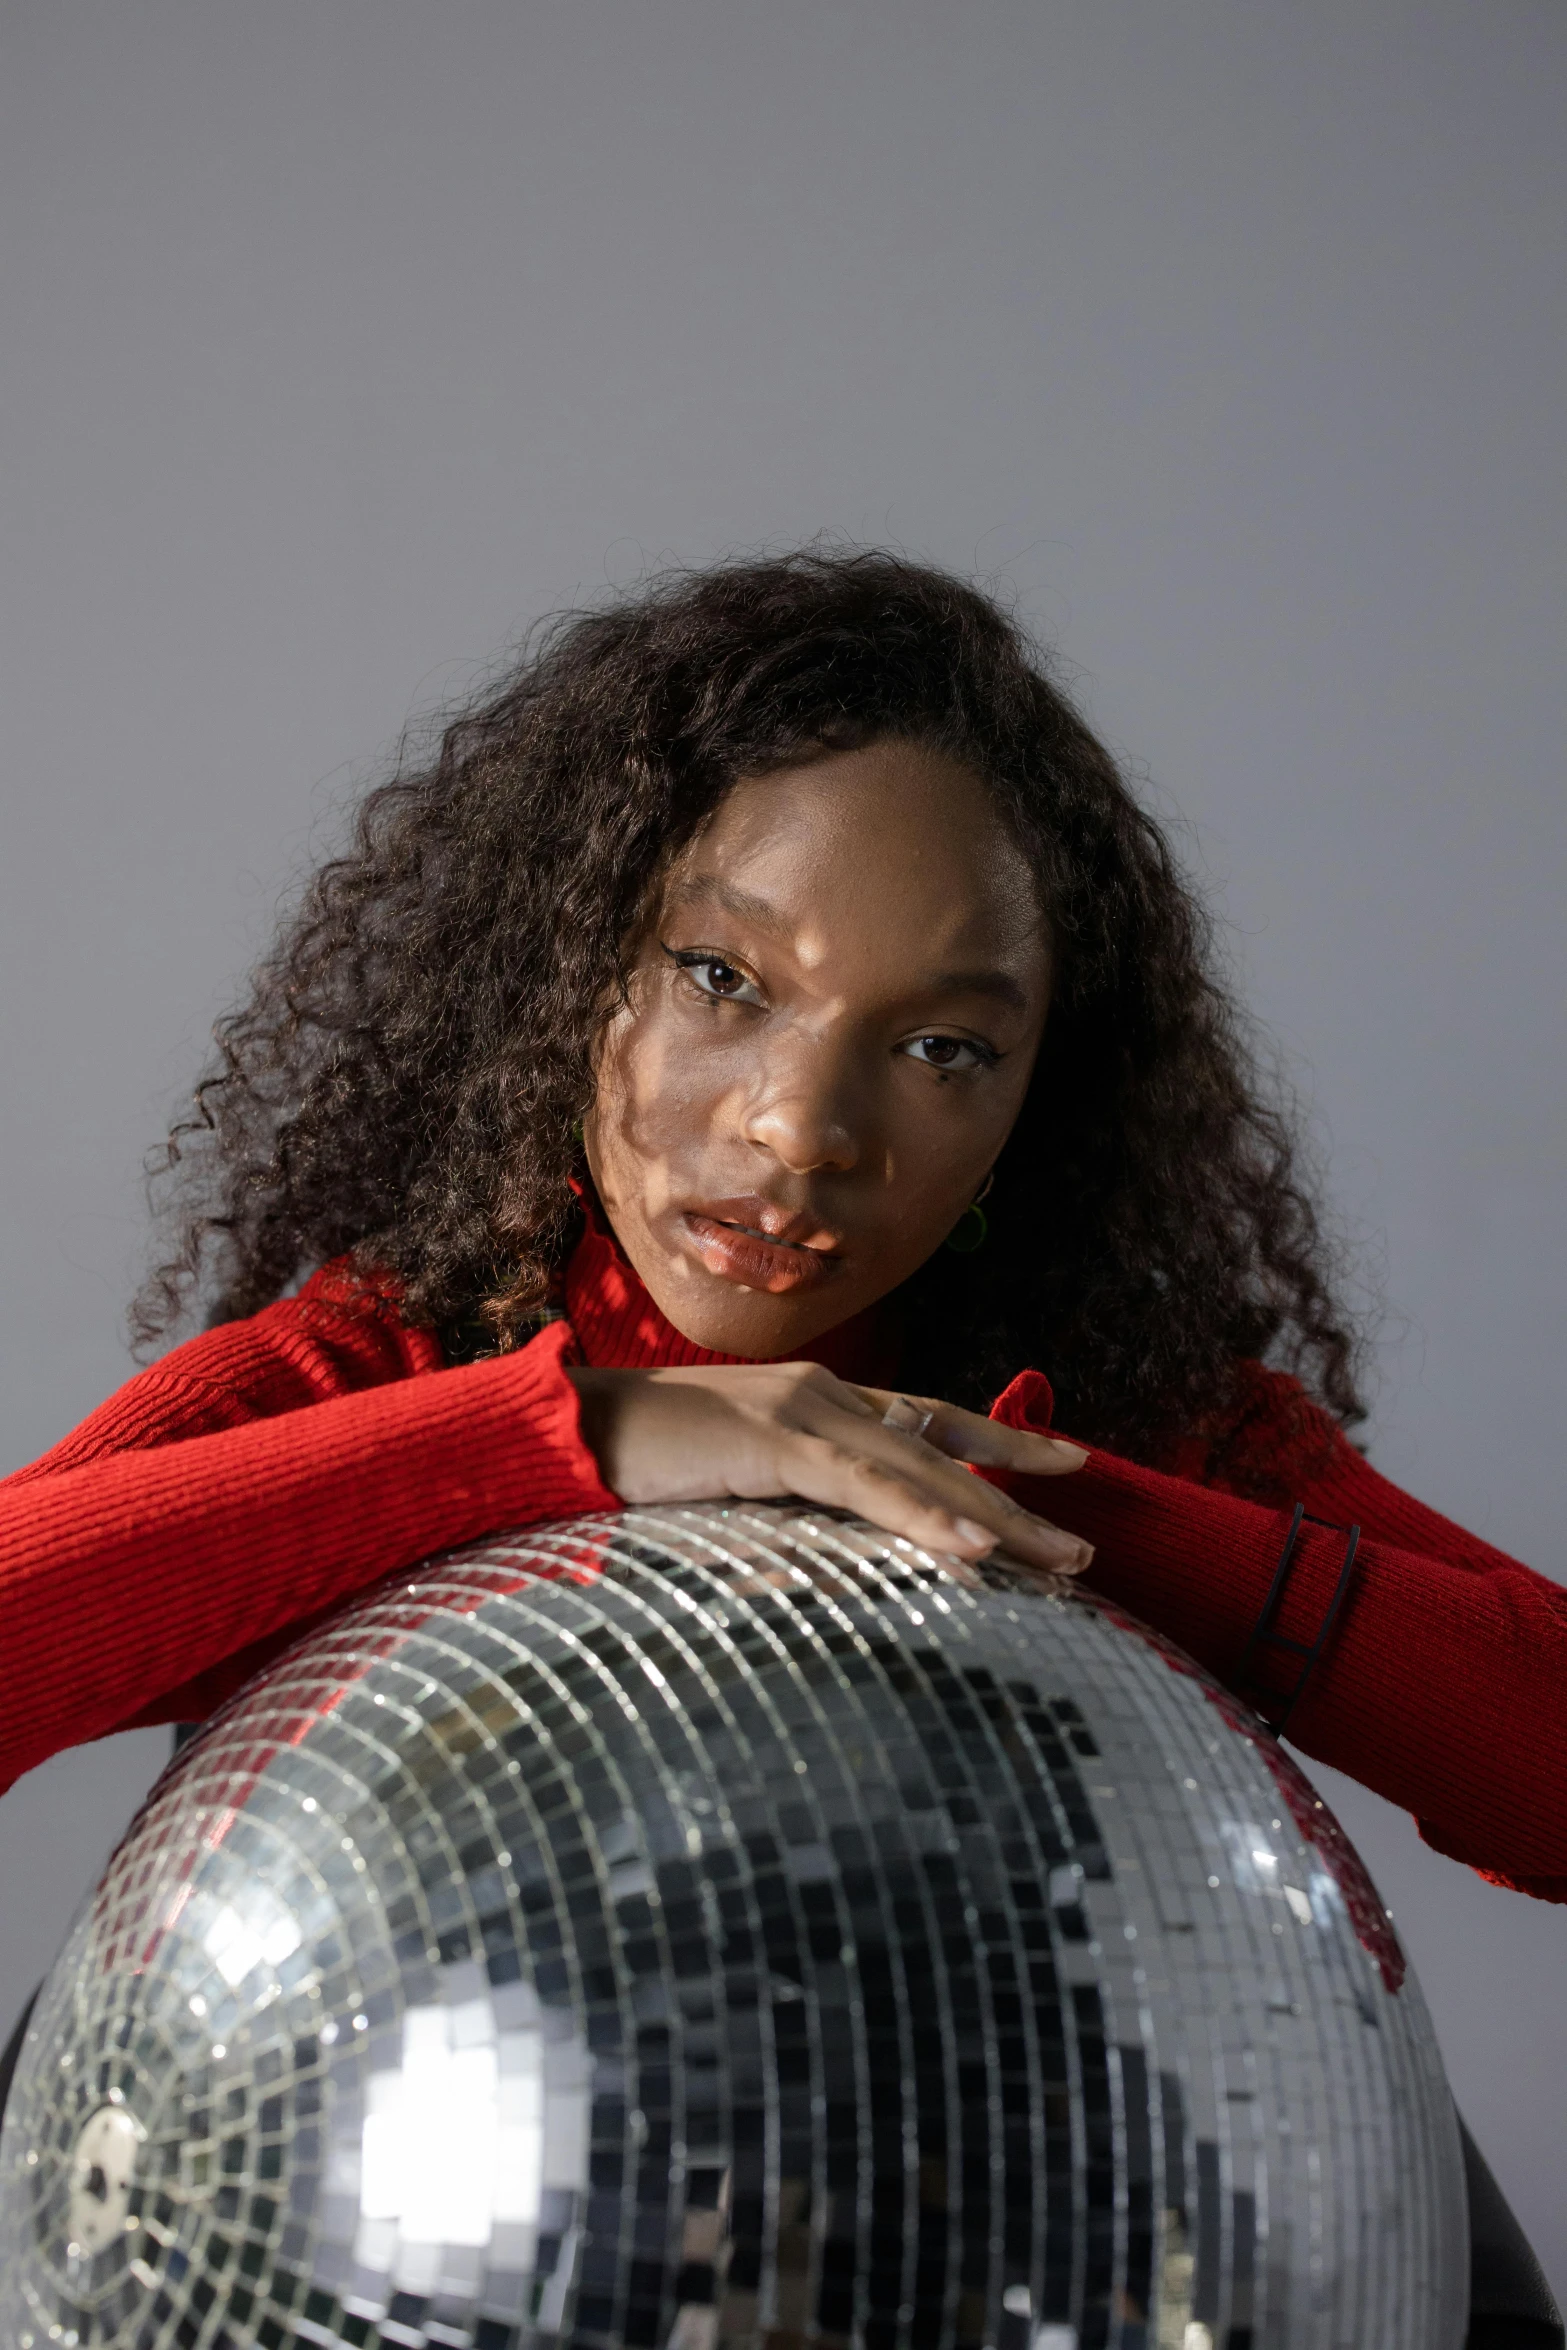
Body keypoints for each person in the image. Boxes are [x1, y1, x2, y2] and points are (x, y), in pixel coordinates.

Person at [2, 548, 1563, 1881]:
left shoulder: (1138, 1419)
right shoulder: (382, 1364)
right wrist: (583, 1436)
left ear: (1037, 1101)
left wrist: (1019, 1501)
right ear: (579, 977)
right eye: (722, 980)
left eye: (940, 1047)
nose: (800, 1128)